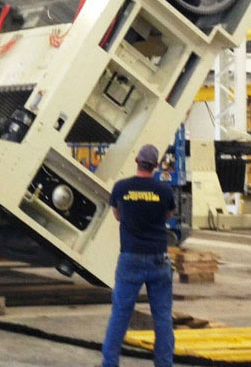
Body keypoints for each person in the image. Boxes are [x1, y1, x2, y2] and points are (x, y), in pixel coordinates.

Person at [101, 144, 175, 367]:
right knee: (162, 317)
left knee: (120, 314)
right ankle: (164, 363)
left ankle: (110, 363)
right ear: (155, 165)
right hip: (158, 258)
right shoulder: (164, 191)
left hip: (130, 257)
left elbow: (117, 215)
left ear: (136, 161)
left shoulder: (121, 188)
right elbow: (167, 215)